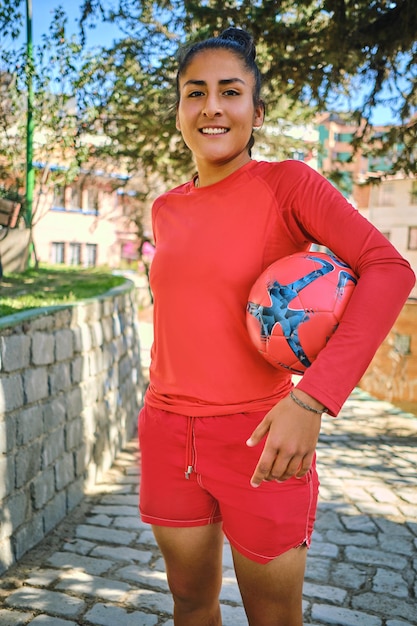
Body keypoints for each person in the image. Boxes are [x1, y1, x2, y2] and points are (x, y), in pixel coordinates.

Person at [138, 26, 415, 626]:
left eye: (230, 91)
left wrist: (312, 400)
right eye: (195, 92)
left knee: (273, 618)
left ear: (256, 112)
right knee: (190, 602)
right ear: (180, 110)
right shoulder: (165, 209)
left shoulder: (287, 183)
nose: (212, 106)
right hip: (165, 430)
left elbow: (388, 270)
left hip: (261, 438)